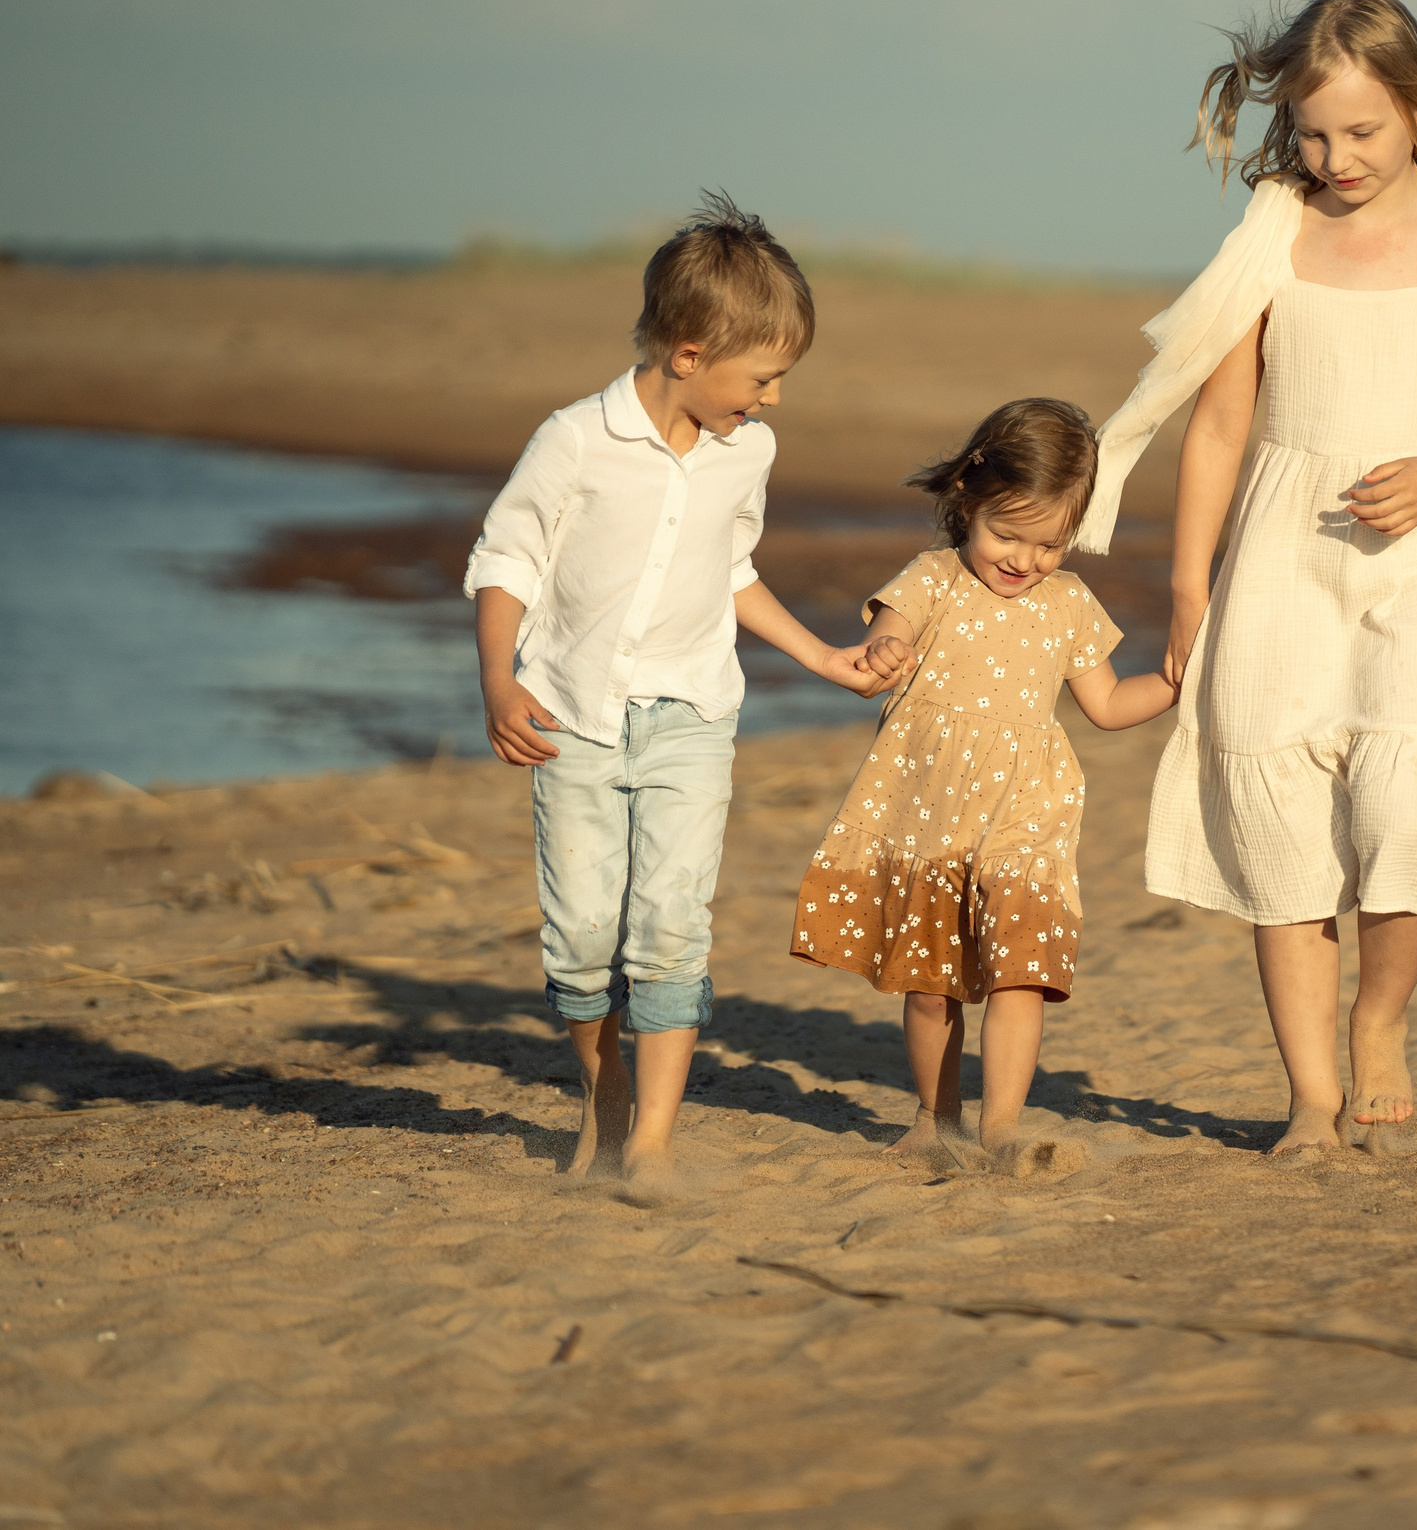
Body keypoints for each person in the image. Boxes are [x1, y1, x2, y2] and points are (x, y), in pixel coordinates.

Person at [1073, 0, 1417, 1154]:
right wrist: (1189, 588)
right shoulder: (1272, 237)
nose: (1334, 157)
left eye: (1363, 132)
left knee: (1400, 800)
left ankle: (1379, 1018)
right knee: (1277, 808)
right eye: (1311, 132)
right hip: (1283, 543)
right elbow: (1215, 427)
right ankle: (1307, 1096)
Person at [466, 193, 872, 1195]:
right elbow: (505, 559)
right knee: (582, 941)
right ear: (688, 353)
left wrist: (820, 655)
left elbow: (728, 568)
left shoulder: (751, 452)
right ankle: (603, 1097)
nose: (771, 400)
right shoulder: (573, 439)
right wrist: (497, 680)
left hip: (693, 715)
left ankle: (649, 1140)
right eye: (762, 376)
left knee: (670, 927)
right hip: (572, 719)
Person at [791, 399, 1177, 1173]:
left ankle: (1001, 1126)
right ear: (967, 494)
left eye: (1050, 545)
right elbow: (885, 638)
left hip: (1026, 817)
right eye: (1007, 533)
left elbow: (1105, 705)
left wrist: (1179, 679)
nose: (1024, 560)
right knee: (930, 985)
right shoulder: (931, 579)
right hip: (928, 811)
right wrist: (885, 655)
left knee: (1020, 969)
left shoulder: (1068, 602)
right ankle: (937, 1117)